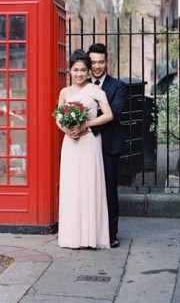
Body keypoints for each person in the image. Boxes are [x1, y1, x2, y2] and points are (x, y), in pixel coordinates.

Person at [56, 49, 113, 249]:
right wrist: (66, 130)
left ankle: (91, 237)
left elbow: (108, 115)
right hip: (71, 143)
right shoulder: (64, 92)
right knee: (73, 187)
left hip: (89, 142)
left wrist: (84, 125)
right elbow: (58, 116)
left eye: (83, 70)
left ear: (88, 71)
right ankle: (72, 237)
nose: (79, 74)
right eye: (75, 70)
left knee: (89, 185)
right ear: (70, 71)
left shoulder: (96, 90)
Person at [87, 43, 128, 248]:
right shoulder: (82, 85)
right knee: (89, 190)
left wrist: (88, 127)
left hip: (108, 145)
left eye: (100, 62)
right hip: (85, 147)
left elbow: (115, 114)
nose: (97, 66)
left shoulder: (118, 86)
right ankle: (90, 232)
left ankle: (111, 234)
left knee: (109, 190)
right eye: (93, 62)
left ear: (106, 62)